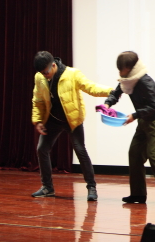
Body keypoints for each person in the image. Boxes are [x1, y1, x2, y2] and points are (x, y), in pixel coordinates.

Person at [31, 51, 113, 200]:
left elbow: (91, 87)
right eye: (42, 73)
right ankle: (47, 188)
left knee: (80, 150)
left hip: (72, 120)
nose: (45, 76)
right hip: (52, 120)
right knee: (42, 149)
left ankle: (91, 187)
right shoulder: (39, 77)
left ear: (53, 65)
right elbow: (38, 101)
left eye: (46, 72)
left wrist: (112, 91)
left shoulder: (72, 74)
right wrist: (38, 121)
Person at [104, 51, 155, 206]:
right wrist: (107, 104)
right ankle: (138, 194)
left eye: (122, 69)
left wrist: (135, 115)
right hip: (144, 119)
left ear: (130, 68)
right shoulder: (127, 80)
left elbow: (154, 105)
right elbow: (117, 92)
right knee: (135, 153)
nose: (120, 73)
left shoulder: (145, 81)